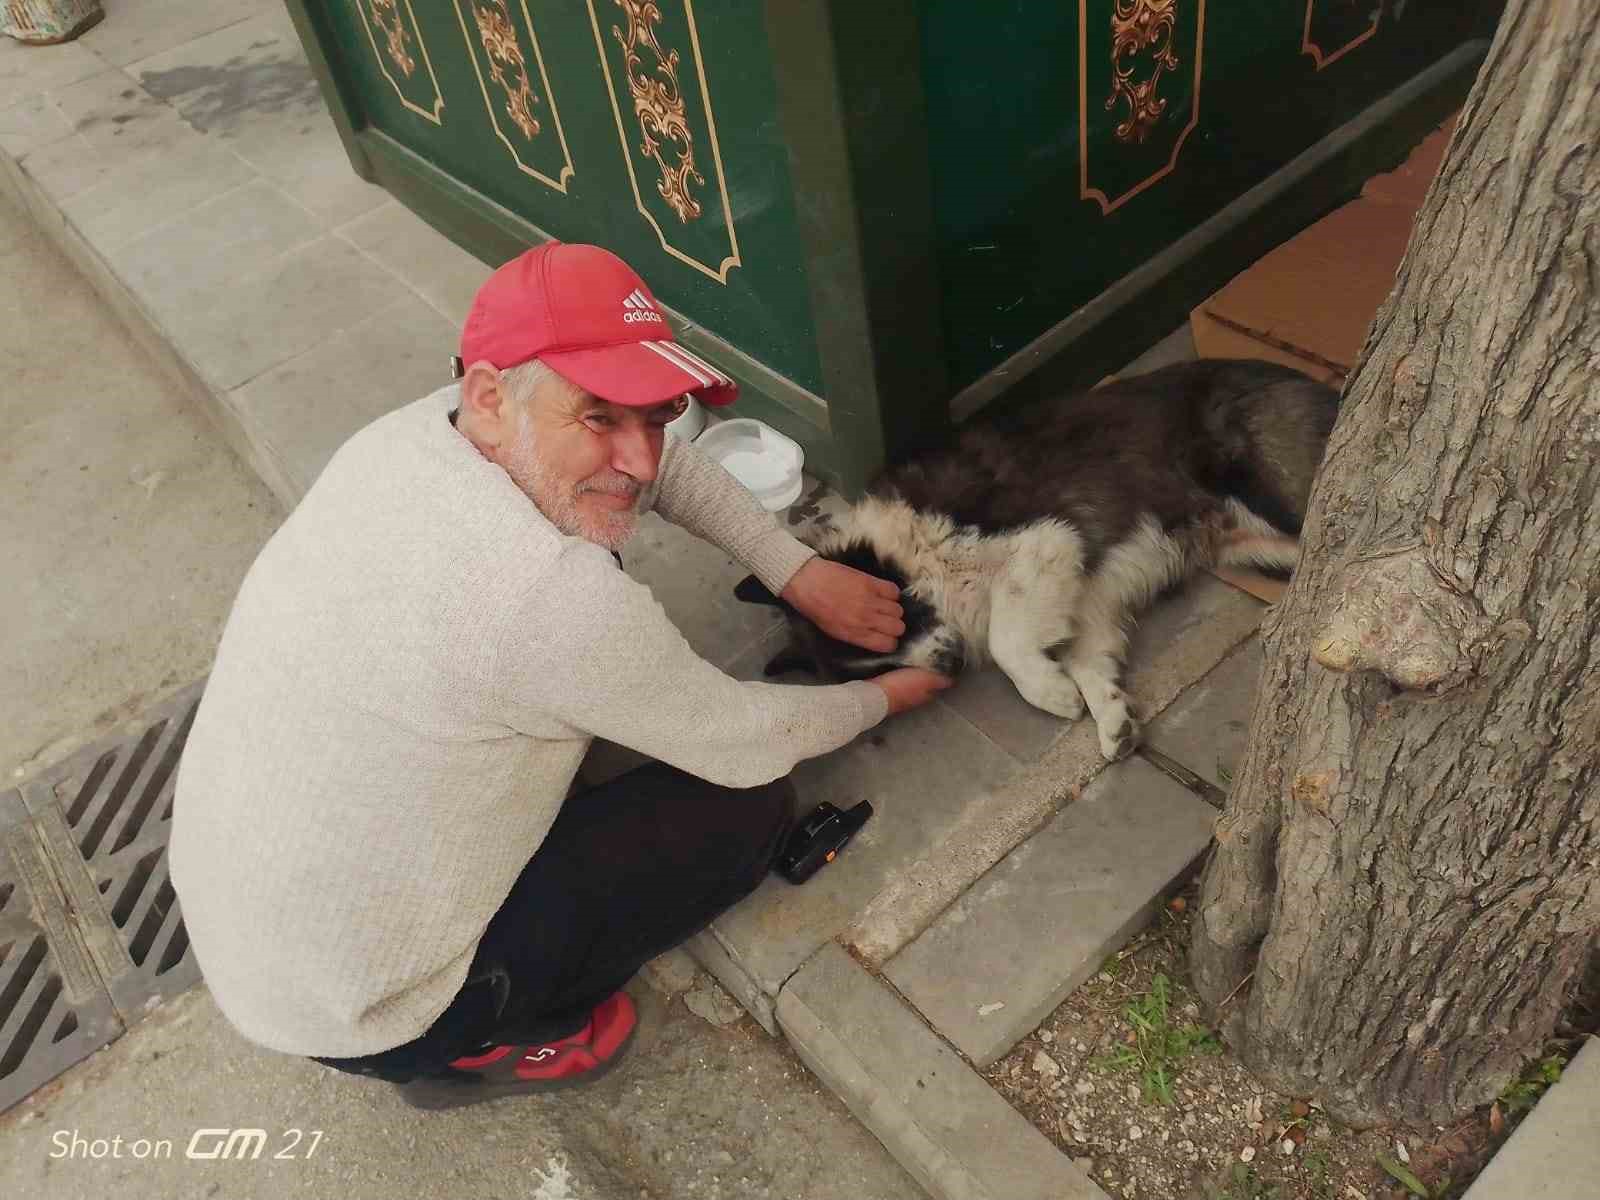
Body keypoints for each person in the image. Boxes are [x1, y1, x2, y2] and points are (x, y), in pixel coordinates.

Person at [168, 241, 951, 1109]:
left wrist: (792, 567)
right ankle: (478, 1047)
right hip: (367, 1009)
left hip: (251, 917)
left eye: (656, 418)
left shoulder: (416, 432)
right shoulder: (546, 601)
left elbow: (660, 463)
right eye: (600, 419)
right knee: (747, 811)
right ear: (493, 398)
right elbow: (748, 741)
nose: (646, 460)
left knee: (594, 563)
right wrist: (887, 693)